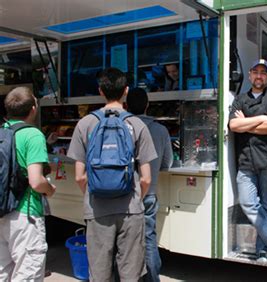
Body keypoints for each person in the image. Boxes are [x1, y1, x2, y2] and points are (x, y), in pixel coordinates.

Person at [67, 68, 157, 281]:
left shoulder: (85, 124)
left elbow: (79, 176)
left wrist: (93, 194)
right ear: (126, 91)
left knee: (100, 274)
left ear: (100, 91)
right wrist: (136, 198)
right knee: (131, 273)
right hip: (131, 209)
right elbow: (146, 178)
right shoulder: (137, 125)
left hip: (97, 209)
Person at [228, 59, 267, 265]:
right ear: (249, 75)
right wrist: (262, 117)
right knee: (248, 204)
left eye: (264, 73)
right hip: (246, 161)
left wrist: (246, 123)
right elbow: (233, 125)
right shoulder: (240, 99)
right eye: (256, 72)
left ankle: (263, 251)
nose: (259, 76)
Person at [0, 87, 56, 280]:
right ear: (33, 109)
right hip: (26, 214)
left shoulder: (2, 132)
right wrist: (50, 189)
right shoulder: (32, 135)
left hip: (2, 212)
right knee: (27, 273)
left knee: (3, 272)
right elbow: (36, 181)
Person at [126, 88, 172, 282]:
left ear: (126, 106)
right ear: (147, 105)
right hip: (149, 193)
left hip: (124, 195)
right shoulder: (160, 130)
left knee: (126, 242)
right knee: (149, 240)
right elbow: (167, 163)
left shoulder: (122, 127)